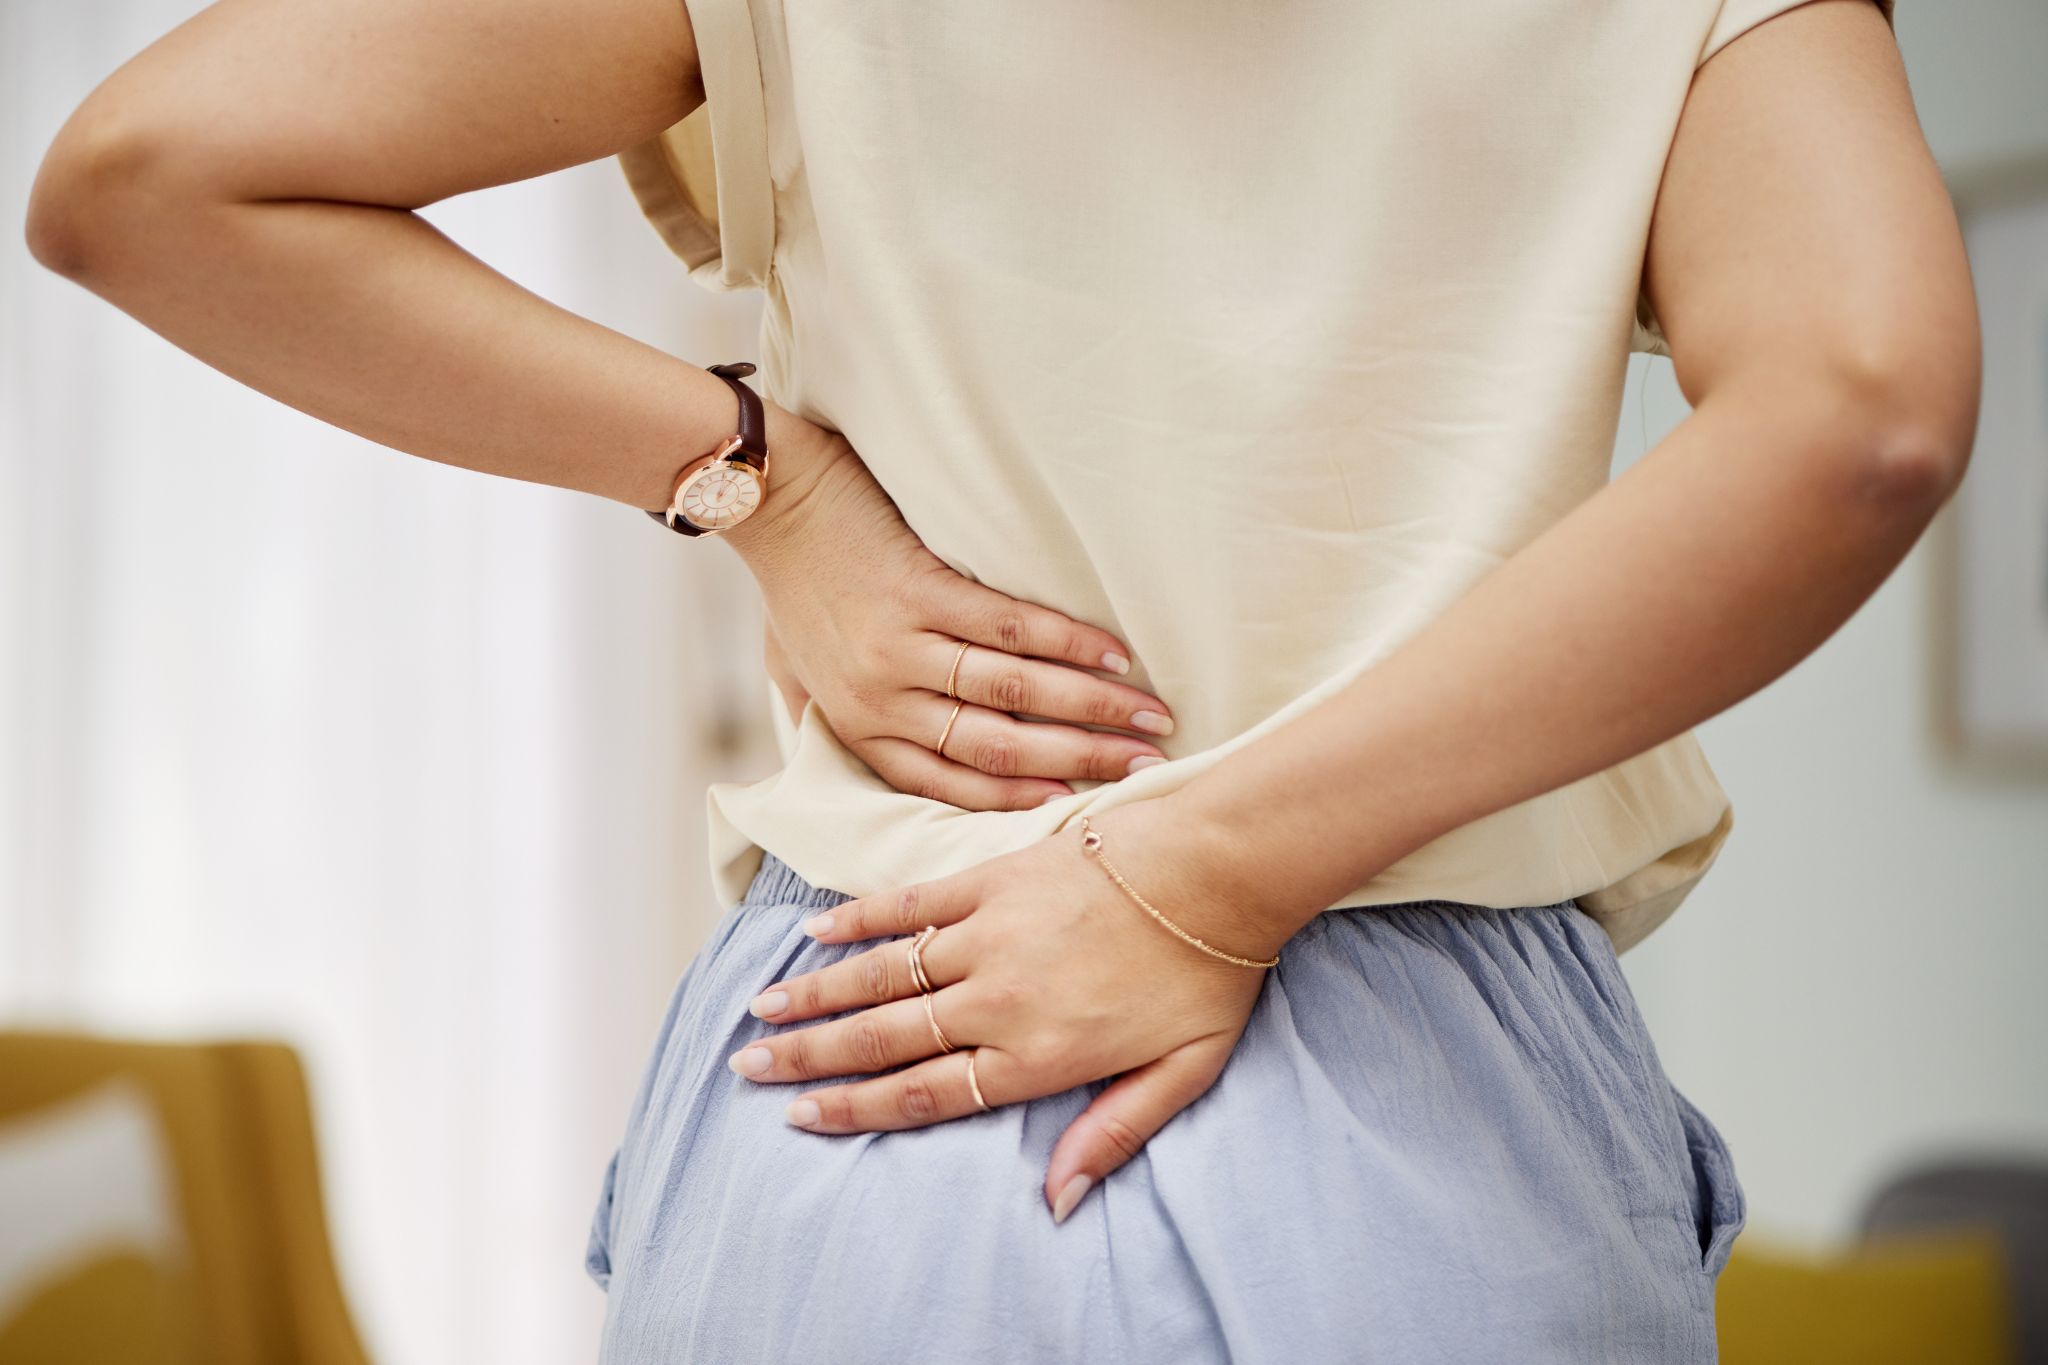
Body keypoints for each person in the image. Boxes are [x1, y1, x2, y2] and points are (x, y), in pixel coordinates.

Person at [25, 0, 1975, 1358]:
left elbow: (149, 173)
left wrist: (762, 488)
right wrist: (1200, 867)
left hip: (890, 1024)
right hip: (1434, 1102)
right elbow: (1866, 404)